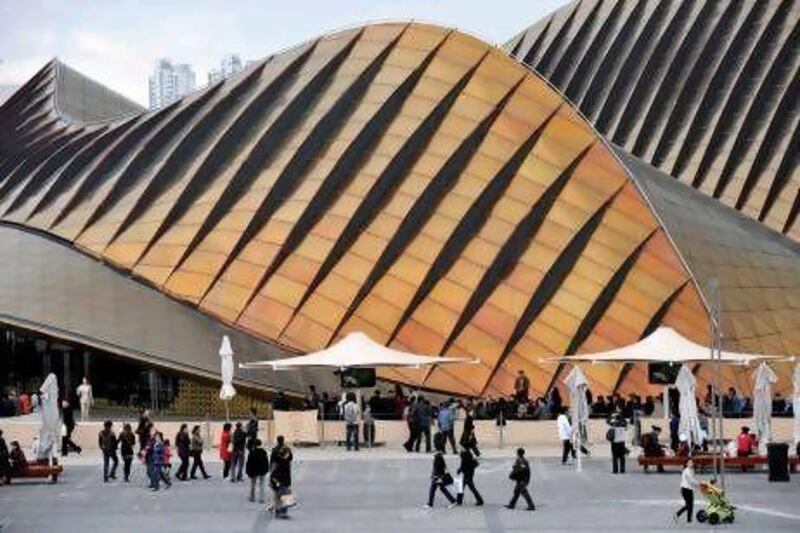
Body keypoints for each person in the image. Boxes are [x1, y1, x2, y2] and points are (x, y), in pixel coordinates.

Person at [270, 435, 293, 519]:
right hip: (285, 476)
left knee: (277, 494)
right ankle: (283, 511)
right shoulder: (287, 450)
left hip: (277, 476)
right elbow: (290, 458)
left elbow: (272, 463)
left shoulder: (275, 451)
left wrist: (271, 477)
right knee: (286, 493)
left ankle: (277, 510)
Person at [675, 459, 701, 524]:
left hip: (690, 489)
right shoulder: (687, 471)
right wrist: (700, 484)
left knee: (691, 505)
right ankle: (677, 514)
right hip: (685, 490)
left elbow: (692, 482)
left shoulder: (691, 470)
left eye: (692, 462)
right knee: (688, 505)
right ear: (686, 464)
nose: (691, 463)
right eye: (689, 462)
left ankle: (689, 519)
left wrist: (698, 486)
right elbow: (691, 480)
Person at [246, 438, 269, 503]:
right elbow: (266, 461)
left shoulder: (252, 452)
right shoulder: (263, 452)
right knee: (262, 484)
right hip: (262, 470)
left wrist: (248, 471)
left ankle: (252, 497)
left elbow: (249, 463)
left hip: (253, 471)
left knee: (253, 484)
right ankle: (262, 498)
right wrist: (266, 469)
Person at [607, 409, 627, 474]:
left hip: (615, 442)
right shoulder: (623, 423)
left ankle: (615, 470)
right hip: (621, 441)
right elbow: (625, 422)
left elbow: (608, 421)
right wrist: (620, 415)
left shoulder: (614, 423)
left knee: (615, 456)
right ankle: (622, 470)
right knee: (622, 457)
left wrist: (612, 416)